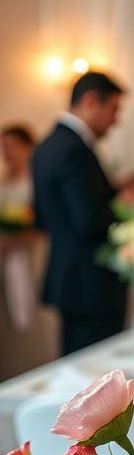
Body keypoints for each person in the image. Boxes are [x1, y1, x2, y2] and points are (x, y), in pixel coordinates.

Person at [31, 71, 134, 355]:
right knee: (95, 378)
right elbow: (89, 221)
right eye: (113, 109)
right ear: (91, 102)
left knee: (80, 370)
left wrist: (111, 191)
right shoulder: (73, 149)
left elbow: (42, 217)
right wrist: (129, 207)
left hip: (70, 278)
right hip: (91, 285)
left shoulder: (47, 146)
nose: (116, 120)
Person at [0, 124, 38, 331]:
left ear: (27, 147)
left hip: (31, 255)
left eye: (10, 146)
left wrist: (18, 238)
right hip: (6, 257)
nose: (6, 152)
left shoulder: (35, 180)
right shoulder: (3, 181)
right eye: (2, 147)